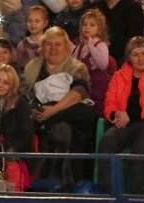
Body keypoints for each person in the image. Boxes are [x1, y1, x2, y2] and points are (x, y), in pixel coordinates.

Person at [21, 26, 97, 187]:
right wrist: (35, 111)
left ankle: (67, 181)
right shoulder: (32, 68)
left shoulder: (77, 67)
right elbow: (24, 97)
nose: (53, 48)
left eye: (58, 44)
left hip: (69, 113)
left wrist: (53, 110)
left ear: (67, 47)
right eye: (49, 44)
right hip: (40, 115)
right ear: (42, 47)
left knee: (70, 123)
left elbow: (79, 93)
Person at [98, 36, 144, 194]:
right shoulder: (119, 76)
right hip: (125, 124)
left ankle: (135, 195)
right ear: (129, 57)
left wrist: (130, 115)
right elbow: (109, 102)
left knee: (142, 142)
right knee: (107, 141)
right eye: (135, 55)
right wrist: (116, 114)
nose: (140, 59)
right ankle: (108, 193)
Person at [0, 64, 35, 189]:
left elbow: (25, 137)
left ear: (12, 86)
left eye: (5, 82)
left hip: (13, 155)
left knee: (8, 169)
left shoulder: (21, 105)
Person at [72, 9, 113, 116]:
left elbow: (103, 65)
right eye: (84, 24)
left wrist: (90, 46)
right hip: (84, 88)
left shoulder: (101, 45)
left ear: (99, 29)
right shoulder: (79, 46)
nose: (87, 27)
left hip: (99, 89)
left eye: (92, 25)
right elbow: (74, 65)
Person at [91, 0, 144, 65]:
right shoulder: (94, 7)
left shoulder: (133, 7)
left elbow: (134, 40)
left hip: (123, 57)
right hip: (96, 55)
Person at [16, 4, 49, 70]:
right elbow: (20, 67)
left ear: (45, 23)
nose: (33, 24)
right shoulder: (22, 45)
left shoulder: (49, 43)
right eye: (29, 21)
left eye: (37, 21)